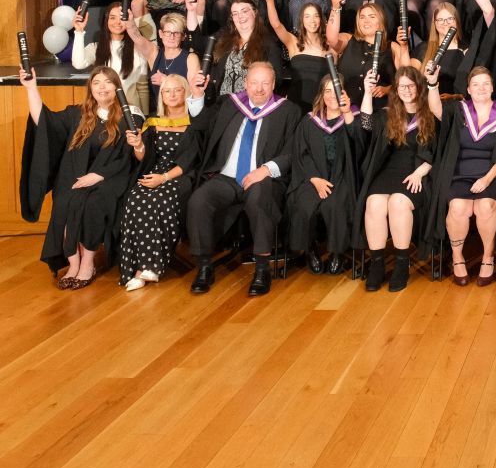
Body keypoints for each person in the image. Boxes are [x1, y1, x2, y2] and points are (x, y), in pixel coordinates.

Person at [185, 61, 302, 297]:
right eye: (254, 83)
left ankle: (262, 269)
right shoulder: (229, 104)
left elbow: (293, 151)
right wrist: (197, 95)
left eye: (265, 83)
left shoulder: (288, 111)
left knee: (261, 198)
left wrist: (266, 169)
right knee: (199, 200)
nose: (259, 89)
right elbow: (202, 124)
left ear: (273, 85)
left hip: (262, 178)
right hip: (226, 177)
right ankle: (205, 267)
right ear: (245, 84)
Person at [20, 66, 140, 289]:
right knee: (65, 200)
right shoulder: (79, 114)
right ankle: (73, 263)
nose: (102, 87)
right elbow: (45, 122)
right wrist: (31, 88)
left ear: (117, 87)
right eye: (96, 83)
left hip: (111, 179)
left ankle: (88, 263)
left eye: (107, 82)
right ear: (90, 88)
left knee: (91, 203)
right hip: (77, 176)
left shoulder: (130, 116)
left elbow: (128, 158)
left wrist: (99, 176)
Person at [425, 66, 496, 287]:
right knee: (458, 208)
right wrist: (432, 84)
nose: (481, 88)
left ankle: (488, 257)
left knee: (485, 207)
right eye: (476, 84)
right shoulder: (459, 110)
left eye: (486, 83)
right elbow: (436, 109)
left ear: (492, 87)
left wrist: (486, 179)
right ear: (468, 88)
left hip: (491, 175)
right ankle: (458, 257)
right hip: (459, 174)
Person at [358, 66, 438, 292]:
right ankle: (377, 263)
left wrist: (420, 172)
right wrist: (367, 91)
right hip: (389, 171)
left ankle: (402, 264)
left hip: (418, 171)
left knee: (398, 202)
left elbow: (438, 150)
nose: (406, 90)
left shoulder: (430, 114)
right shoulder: (389, 114)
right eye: (401, 86)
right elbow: (365, 124)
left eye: (411, 85)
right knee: (374, 203)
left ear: (419, 87)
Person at [118, 73, 199, 290]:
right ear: (161, 95)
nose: (172, 95)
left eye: (177, 90)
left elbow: (189, 161)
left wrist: (163, 178)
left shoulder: (194, 122)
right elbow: (144, 158)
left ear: (186, 92)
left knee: (160, 199)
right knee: (135, 197)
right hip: (154, 171)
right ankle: (138, 268)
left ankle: (150, 267)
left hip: (180, 176)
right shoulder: (153, 121)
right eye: (167, 91)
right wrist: (138, 146)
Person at [287, 72, 367, 278]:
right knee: (304, 204)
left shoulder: (353, 117)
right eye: (327, 91)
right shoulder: (310, 121)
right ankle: (310, 249)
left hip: (343, 176)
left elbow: (362, 146)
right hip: (312, 177)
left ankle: (337, 252)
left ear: (346, 94)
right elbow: (300, 154)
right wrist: (314, 179)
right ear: (321, 95)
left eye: (337, 91)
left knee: (337, 205)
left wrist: (348, 113)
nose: (332, 96)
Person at [71, 2, 150, 114]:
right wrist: (79, 31)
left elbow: (142, 87)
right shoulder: (96, 48)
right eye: (112, 18)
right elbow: (78, 64)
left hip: (131, 112)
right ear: (106, 21)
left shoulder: (138, 49)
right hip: (103, 112)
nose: (117, 22)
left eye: (122, 18)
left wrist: (144, 117)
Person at [202, 0, 283, 99]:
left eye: (244, 11)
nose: (240, 16)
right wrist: (191, 11)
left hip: (250, 106)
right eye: (235, 14)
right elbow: (197, 42)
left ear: (255, 12)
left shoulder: (269, 44)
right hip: (221, 104)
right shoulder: (223, 39)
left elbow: (276, 80)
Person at [261, 0, 330, 107]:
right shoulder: (293, 42)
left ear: (321, 20)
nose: (312, 21)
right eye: (307, 16)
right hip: (295, 104)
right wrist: (269, 0)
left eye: (316, 16)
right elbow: (276, 25)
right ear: (302, 20)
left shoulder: (330, 47)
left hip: (320, 106)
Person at [125, 11, 199, 110]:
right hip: (161, 114)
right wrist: (129, 21)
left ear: (183, 37)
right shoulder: (154, 53)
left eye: (176, 33)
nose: (171, 37)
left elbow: (194, 92)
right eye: (167, 32)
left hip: (184, 113)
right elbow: (136, 37)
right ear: (160, 34)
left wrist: (166, 82)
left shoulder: (191, 58)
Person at [328, 0, 394, 105]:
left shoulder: (392, 47)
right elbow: (331, 39)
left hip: (378, 110)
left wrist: (387, 90)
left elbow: (406, 80)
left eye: (372, 17)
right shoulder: (348, 40)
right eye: (362, 17)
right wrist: (335, 8)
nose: (366, 21)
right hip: (348, 108)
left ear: (381, 20)